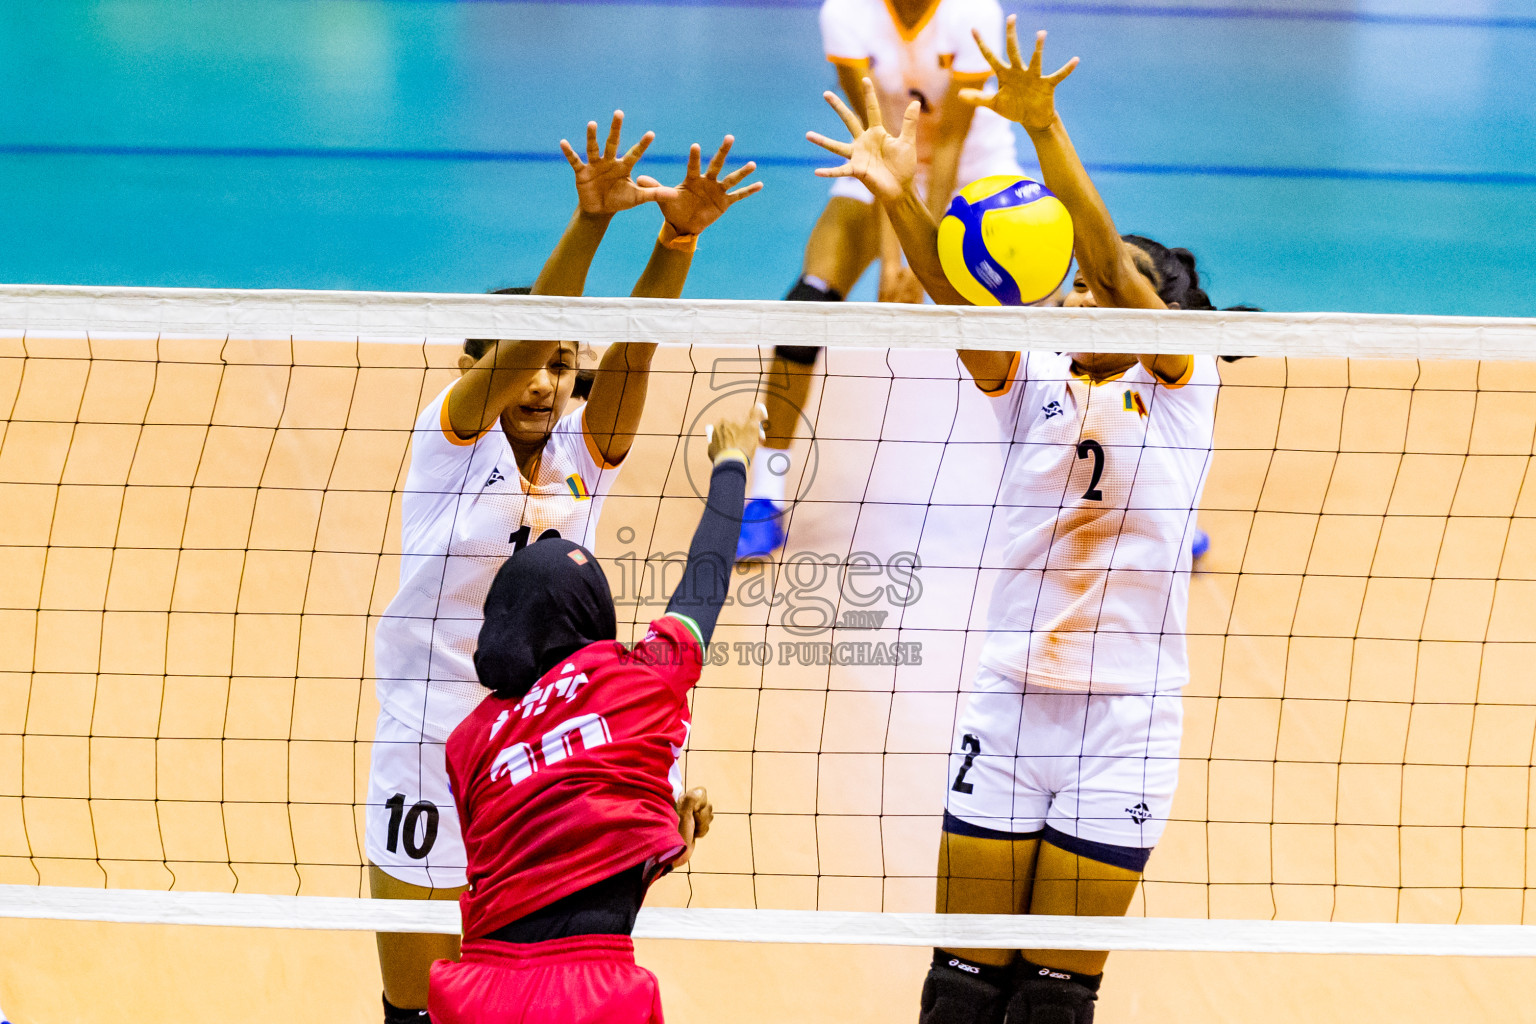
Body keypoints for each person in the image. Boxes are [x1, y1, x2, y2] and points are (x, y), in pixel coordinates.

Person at [806, 19, 1221, 1022]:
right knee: (960, 990)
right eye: (1076, 282)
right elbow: (959, 302)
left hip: (1125, 721)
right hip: (1009, 701)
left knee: (1052, 999)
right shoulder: (1032, 376)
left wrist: (1044, 133)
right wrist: (897, 191)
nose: (1083, 293)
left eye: (1105, 284)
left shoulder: (1181, 384)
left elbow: (1119, 279)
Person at [368, 112, 761, 1023]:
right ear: (477, 367)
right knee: (417, 1007)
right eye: (526, 364)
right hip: (429, 744)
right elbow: (517, 352)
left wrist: (674, 239)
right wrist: (588, 224)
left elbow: (636, 352)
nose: (544, 381)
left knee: (526, 991)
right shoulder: (451, 443)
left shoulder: (586, 454)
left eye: (560, 365)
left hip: (542, 761)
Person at [427, 408, 762, 1024]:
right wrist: (732, 463)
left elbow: (530, 857)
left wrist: (654, 822)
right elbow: (704, 581)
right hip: (593, 988)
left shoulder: (467, 741)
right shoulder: (639, 678)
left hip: (477, 988)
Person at [737, 0, 1024, 560]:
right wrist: (896, 258)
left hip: (976, 166)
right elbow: (883, 142)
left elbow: (945, 147)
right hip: (879, 165)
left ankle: (1118, 492)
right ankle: (764, 496)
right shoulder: (845, 14)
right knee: (806, 305)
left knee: (1051, 315)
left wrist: (922, 260)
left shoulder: (974, 12)